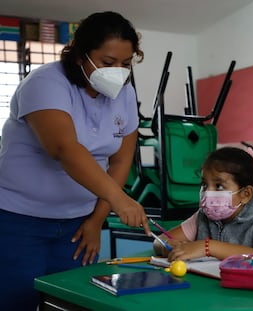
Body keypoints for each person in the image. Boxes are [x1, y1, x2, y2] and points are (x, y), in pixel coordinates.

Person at [0, 11, 151, 310]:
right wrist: (120, 201)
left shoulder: (125, 93)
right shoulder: (45, 82)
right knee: (15, 300)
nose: (118, 72)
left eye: (126, 64)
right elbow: (64, 148)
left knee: (68, 301)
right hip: (17, 221)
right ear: (81, 55)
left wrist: (97, 220)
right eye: (108, 63)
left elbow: (120, 162)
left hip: (78, 225)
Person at [153, 146, 253, 261]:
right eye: (204, 184)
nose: (207, 192)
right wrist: (169, 247)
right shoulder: (202, 218)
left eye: (219, 186)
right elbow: (160, 240)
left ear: (246, 194)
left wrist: (207, 247)